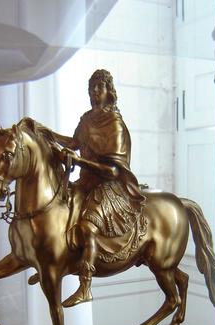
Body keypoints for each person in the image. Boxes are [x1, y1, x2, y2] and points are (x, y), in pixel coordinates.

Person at [49, 69, 146, 307]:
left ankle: (85, 287)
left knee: (86, 226)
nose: (94, 92)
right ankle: (55, 262)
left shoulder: (115, 125)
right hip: (86, 182)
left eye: (99, 87)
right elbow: (73, 143)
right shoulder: (86, 119)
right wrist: (44, 133)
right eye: (91, 87)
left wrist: (79, 161)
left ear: (109, 92)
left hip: (111, 186)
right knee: (60, 211)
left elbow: (113, 171)